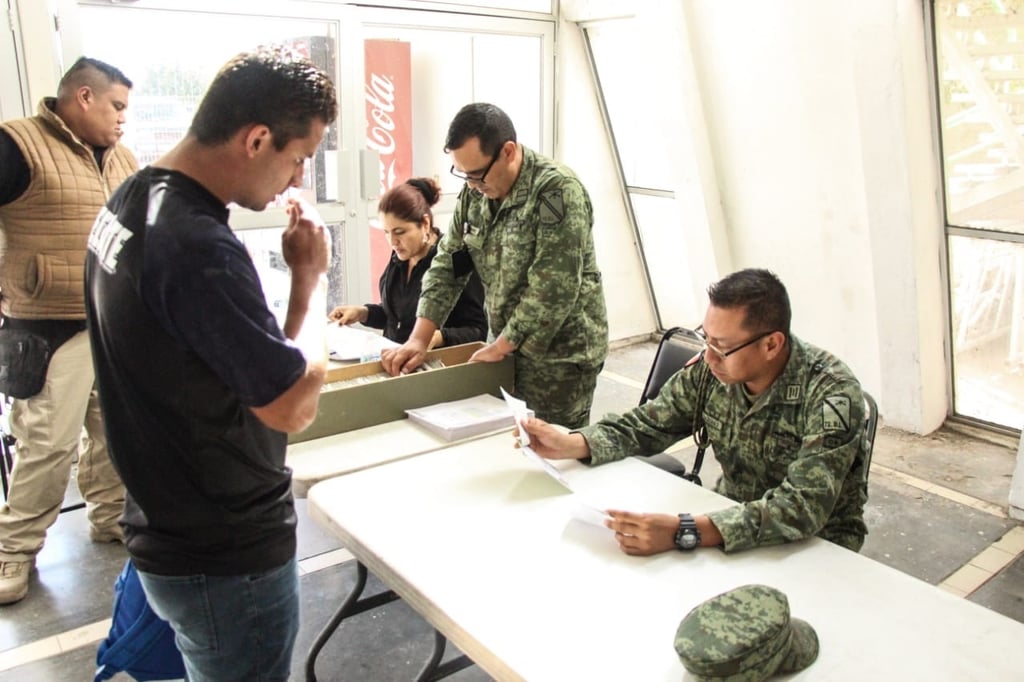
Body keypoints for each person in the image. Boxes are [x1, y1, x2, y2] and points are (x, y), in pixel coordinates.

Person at [84, 46, 338, 681]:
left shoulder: (133, 200)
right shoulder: (197, 247)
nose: (298, 180)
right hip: (225, 552)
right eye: (299, 158)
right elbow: (291, 404)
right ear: (257, 139)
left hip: (169, 521)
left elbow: (238, 370)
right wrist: (313, 283)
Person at [522, 268, 869, 555]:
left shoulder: (830, 393)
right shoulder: (712, 371)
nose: (708, 357)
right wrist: (573, 442)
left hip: (818, 546)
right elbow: (648, 423)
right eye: (707, 340)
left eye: (723, 347)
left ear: (772, 344)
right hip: (729, 521)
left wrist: (685, 530)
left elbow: (802, 507)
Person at [0, 57, 137, 606]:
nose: (124, 119)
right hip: (47, 327)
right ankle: (13, 549)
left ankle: (111, 518)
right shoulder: (18, 145)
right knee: (46, 446)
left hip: (113, 323)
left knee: (115, 435)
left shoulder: (122, 157)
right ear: (83, 96)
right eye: (117, 106)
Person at [380, 103, 608, 429]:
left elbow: (553, 289)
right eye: (462, 173)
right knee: (502, 441)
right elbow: (449, 264)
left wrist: (502, 345)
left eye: (476, 174)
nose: (471, 184)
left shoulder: (556, 192)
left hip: (559, 359)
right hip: (501, 348)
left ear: (508, 152)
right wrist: (419, 338)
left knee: (552, 453)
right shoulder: (475, 195)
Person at [328, 177, 487, 348]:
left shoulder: (454, 261)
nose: (392, 242)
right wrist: (363, 313)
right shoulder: (400, 257)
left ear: (425, 224)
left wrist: (436, 337)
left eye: (400, 232)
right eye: (386, 233)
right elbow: (398, 317)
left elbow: (478, 331)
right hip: (394, 359)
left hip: (435, 365)